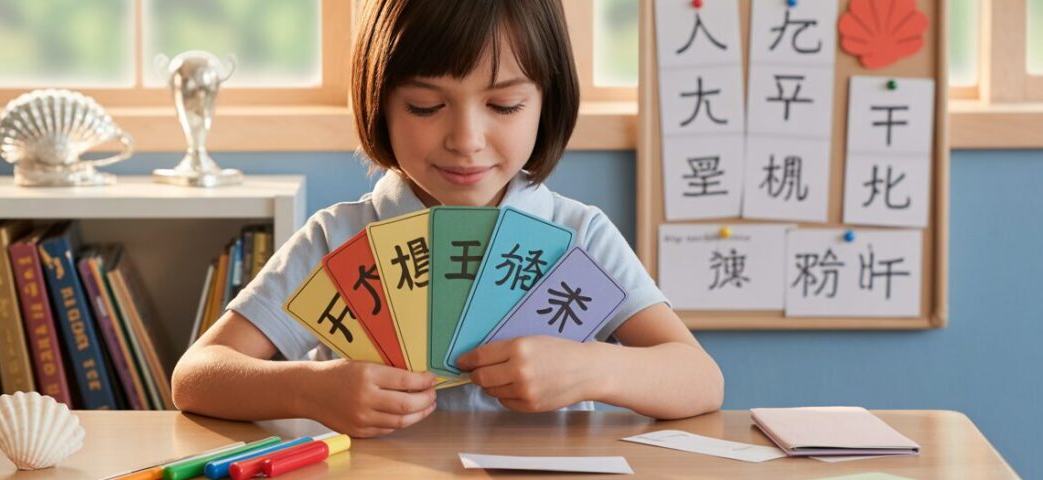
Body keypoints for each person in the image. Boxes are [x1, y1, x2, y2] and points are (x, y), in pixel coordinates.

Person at [172, 0, 724, 438]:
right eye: (424, 107)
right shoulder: (338, 240)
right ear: (380, 103)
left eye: (504, 106)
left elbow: (701, 380)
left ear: (546, 101)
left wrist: (596, 370)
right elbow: (197, 377)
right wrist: (310, 389)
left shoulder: (578, 237)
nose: (466, 141)